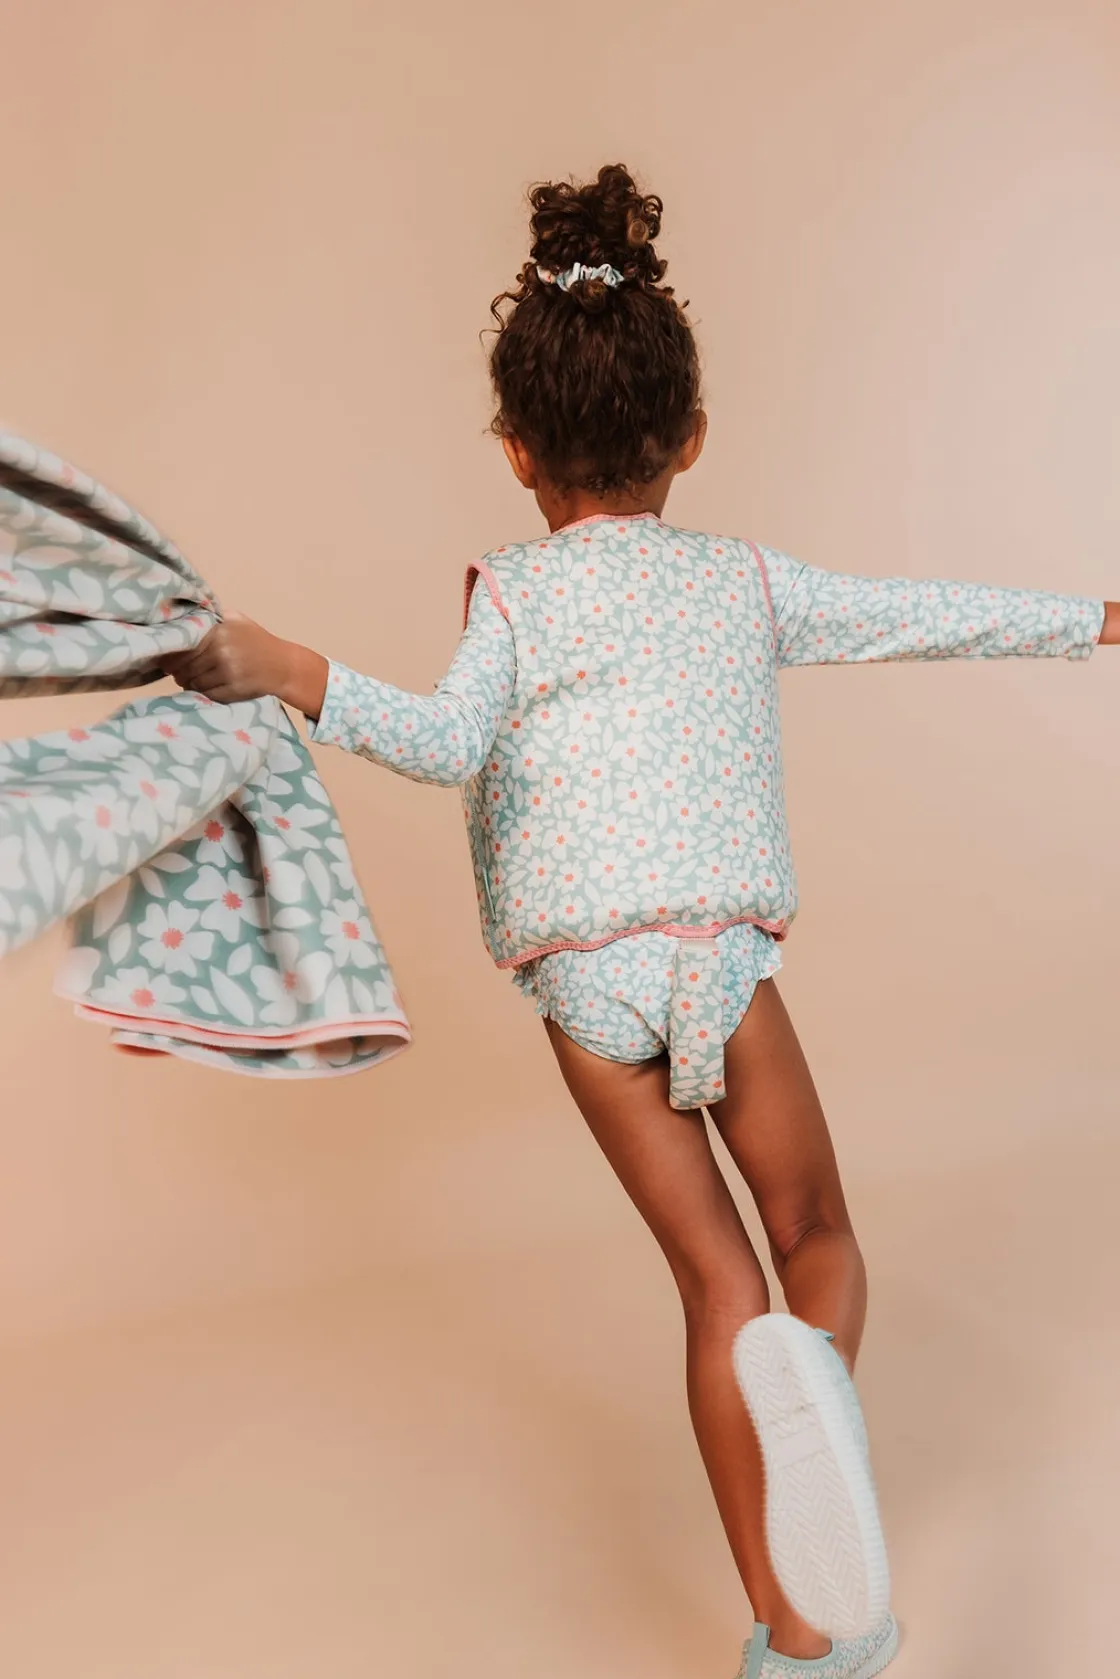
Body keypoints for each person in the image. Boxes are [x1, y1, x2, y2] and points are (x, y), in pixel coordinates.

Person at [163, 164, 1115, 1679]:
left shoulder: (514, 599)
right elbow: (920, 610)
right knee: (814, 1238)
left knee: (716, 1283)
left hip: (589, 990)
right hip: (719, 959)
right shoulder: (743, 582)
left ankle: (798, 1635)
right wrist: (1100, 620)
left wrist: (292, 668)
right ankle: (820, 1396)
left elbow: (441, 743)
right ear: (693, 436)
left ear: (515, 449)